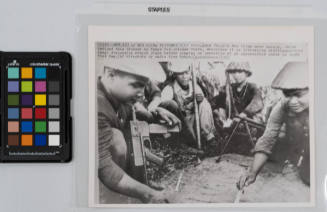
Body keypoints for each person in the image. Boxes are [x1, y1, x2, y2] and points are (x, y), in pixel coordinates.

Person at [97, 61, 181, 203]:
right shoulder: (97, 105)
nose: (142, 94)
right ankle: (113, 199)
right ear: (110, 75)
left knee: (133, 129)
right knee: (116, 139)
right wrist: (148, 194)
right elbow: (104, 167)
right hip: (99, 178)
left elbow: (134, 111)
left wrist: (155, 111)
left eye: (143, 86)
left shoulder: (118, 96)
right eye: (136, 85)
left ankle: (138, 183)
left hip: (110, 172)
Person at [237, 61, 310, 191]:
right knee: (307, 177)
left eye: (298, 95)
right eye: (288, 95)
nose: (293, 101)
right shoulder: (282, 106)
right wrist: (253, 172)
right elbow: (268, 138)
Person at [160, 61, 216, 148]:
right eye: (180, 74)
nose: (184, 76)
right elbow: (162, 105)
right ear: (175, 75)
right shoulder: (170, 88)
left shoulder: (194, 85)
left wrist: (199, 100)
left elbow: (203, 104)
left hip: (197, 120)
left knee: (204, 103)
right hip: (181, 123)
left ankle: (210, 139)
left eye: (186, 73)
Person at [212, 61, 264, 129]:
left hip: (249, 121)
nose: (236, 75)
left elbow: (257, 102)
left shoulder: (252, 87)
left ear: (247, 73)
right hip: (234, 122)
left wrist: (244, 114)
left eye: (240, 72)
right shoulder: (229, 88)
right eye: (234, 72)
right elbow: (216, 101)